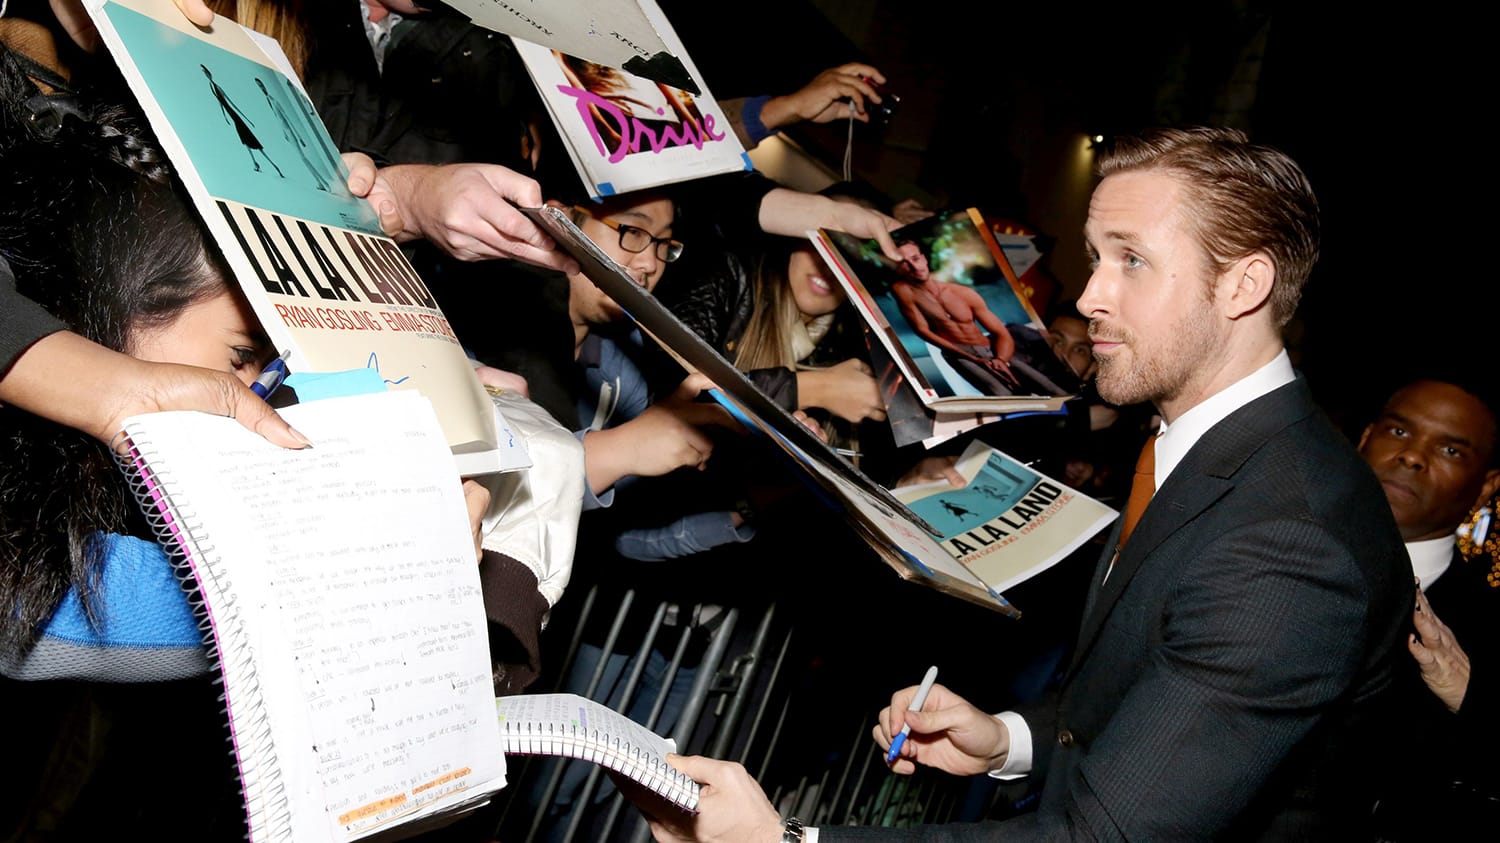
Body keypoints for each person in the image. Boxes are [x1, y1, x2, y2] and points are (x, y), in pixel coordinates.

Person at [622, 126, 1411, 841]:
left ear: (1243, 286)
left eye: (1131, 258)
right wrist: (1011, 739)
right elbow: (1153, 695)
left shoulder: (1290, 537)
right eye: (1098, 256)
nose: (1093, 295)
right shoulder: (1197, 451)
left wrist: (787, 842)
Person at [1355, 378, 1500, 836]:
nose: (1412, 456)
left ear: (1485, 488)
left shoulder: (1488, 635)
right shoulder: (1258, 554)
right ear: (1365, 439)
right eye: (1399, 432)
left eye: (1451, 451)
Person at [890, 237, 1023, 396]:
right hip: (958, 353)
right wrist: (971, 358)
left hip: (992, 350)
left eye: (915, 258)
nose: (913, 266)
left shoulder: (963, 292)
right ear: (897, 268)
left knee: (1043, 387)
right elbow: (921, 330)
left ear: (924, 258)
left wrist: (1001, 360)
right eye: (904, 263)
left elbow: (1002, 333)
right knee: (1001, 394)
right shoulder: (902, 290)